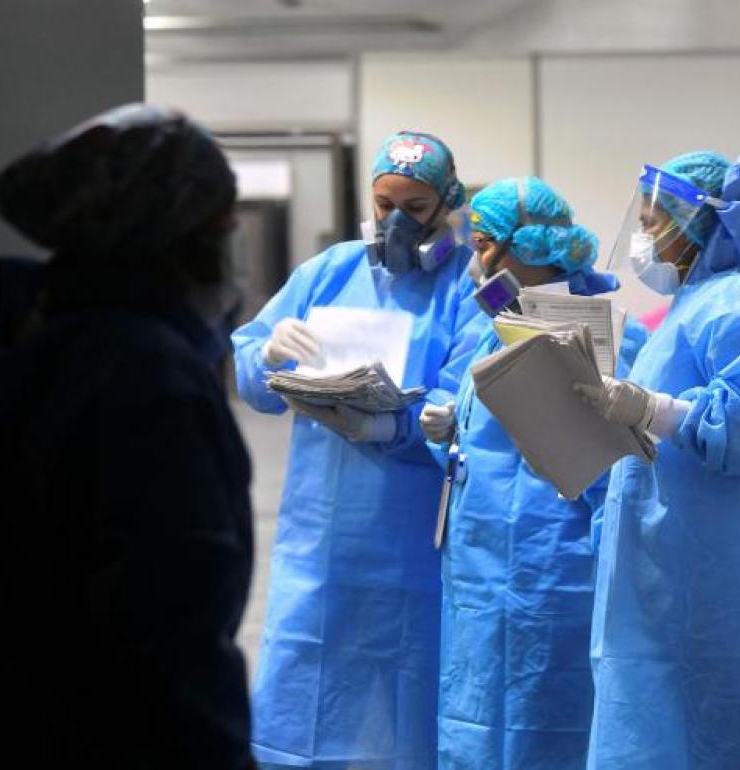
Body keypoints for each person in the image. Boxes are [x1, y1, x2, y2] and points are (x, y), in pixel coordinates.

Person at [0, 105, 255, 769]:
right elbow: (170, 634)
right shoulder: (149, 375)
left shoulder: (34, 334)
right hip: (92, 732)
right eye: (222, 224)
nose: (229, 242)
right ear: (177, 234)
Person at [575, 151, 740, 770]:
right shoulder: (695, 305)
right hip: (675, 582)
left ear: (699, 223)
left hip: (725, 583)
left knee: (727, 736)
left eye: (653, 223)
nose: (643, 240)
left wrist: (657, 410)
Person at [231, 131, 478, 769]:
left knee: (406, 711)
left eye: (415, 207)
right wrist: (268, 352)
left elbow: (461, 410)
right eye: (382, 203)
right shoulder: (328, 272)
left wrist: (384, 429)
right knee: (304, 691)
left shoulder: (466, 287)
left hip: (412, 546)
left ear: (448, 203)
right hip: (319, 545)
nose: (394, 221)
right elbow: (251, 379)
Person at [417, 177, 647, 770]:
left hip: (555, 574)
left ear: (528, 246)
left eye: (485, 243)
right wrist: (450, 427)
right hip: (479, 572)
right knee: (474, 718)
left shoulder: (610, 339)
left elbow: (631, 473)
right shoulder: (494, 325)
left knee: (548, 724)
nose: (474, 257)